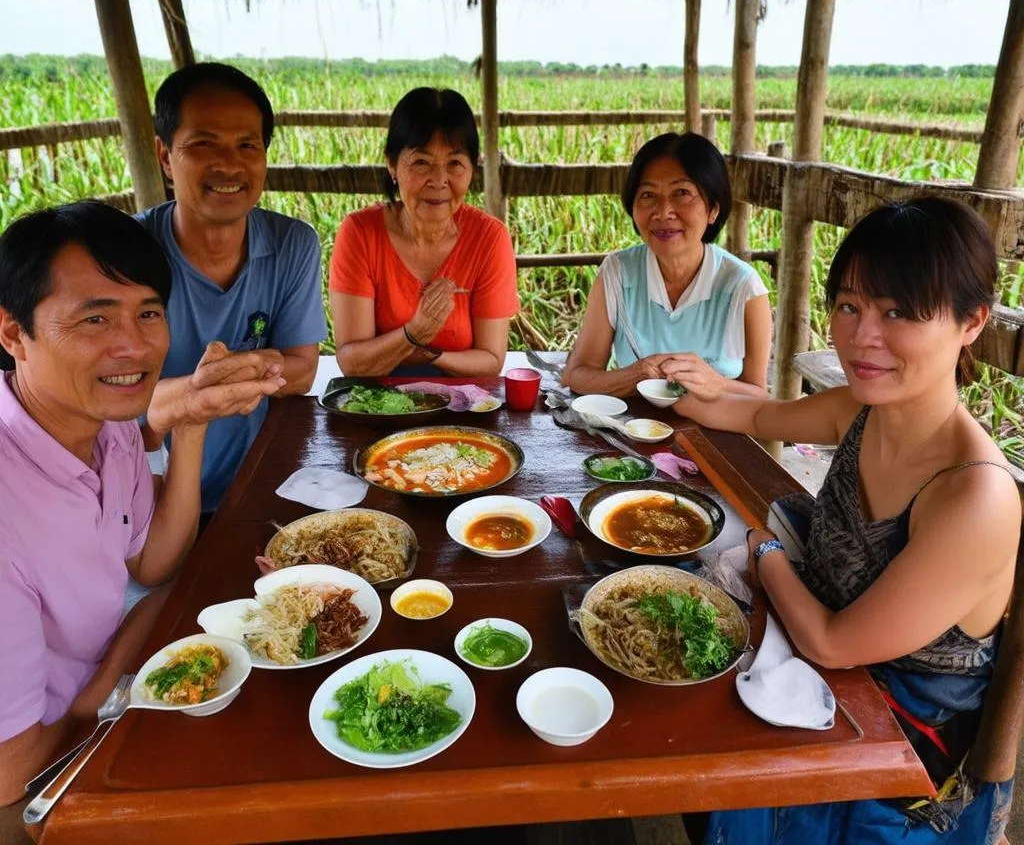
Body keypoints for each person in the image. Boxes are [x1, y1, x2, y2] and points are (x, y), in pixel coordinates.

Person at [666, 197, 1019, 844]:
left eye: (899, 312)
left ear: (972, 321)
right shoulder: (861, 409)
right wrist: (672, 388)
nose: (862, 336)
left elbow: (832, 642)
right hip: (816, 661)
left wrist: (766, 551)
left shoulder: (974, 498)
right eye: (850, 305)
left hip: (899, 742)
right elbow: (757, 416)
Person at [0, 201, 284, 807]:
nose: (133, 346)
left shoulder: (107, 424)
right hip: (50, 779)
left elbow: (153, 564)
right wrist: (137, 633)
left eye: (148, 312)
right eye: (95, 320)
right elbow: (11, 774)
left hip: (105, 696)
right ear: (12, 333)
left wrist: (194, 423)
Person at [138, 62, 328, 513]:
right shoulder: (125, 253)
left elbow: (302, 369)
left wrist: (243, 368)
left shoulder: (292, 245)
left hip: (255, 489)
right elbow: (103, 401)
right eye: (204, 144)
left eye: (248, 145)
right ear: (165, 156)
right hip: (144, 495)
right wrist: (204, 390)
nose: (229, 164)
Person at [562, 131, 771, 398]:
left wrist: (715, 383)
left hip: (717, 436)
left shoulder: (742, 288)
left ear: (713, 209)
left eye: (682, 193)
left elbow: (759, 396)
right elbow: (577, 375)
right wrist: (639, 373)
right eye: (648, 195)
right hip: (634, 432)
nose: (663, 212)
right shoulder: (619, 272)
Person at [329, 87, 518, 377]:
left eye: (455, 164)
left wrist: (428, 354)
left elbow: (491, 360)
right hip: (378, 410)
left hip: (461, 411)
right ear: (392, 164)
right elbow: (352, 363)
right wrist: (414, 333)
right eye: (421, 162)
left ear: (472, 169)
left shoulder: (489, 238)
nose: (439, 180)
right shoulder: (360, 234)